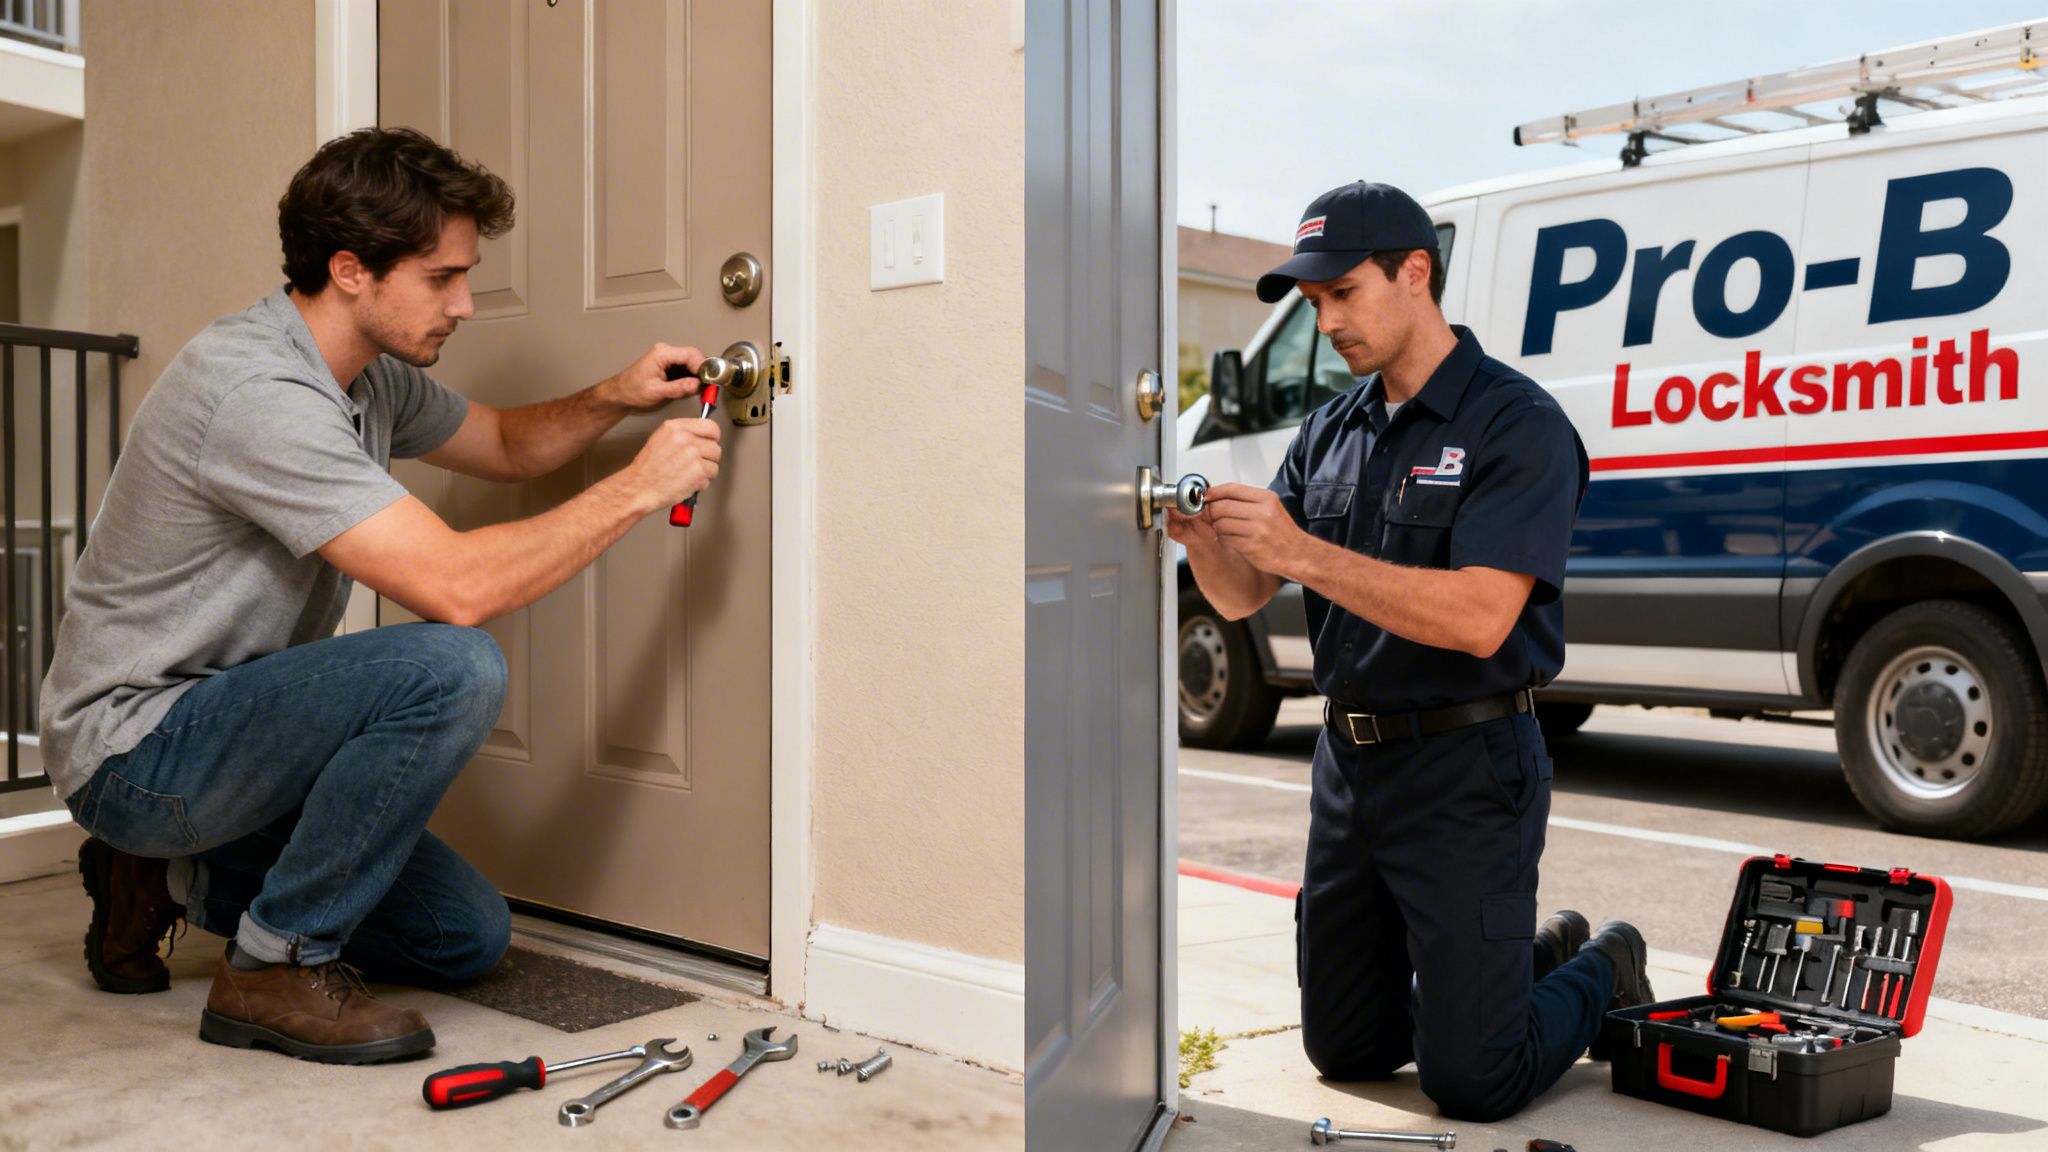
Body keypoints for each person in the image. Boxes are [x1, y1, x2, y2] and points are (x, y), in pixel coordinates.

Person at [42, 127, 723, 1065]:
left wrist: (615, 396)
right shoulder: (256, 391)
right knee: (452, 667)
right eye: (442, 277)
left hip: (238, 735)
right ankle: (273, 966)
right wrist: (640, 490)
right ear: (352, 269)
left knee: (464, 938)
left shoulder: (371, 380)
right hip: (136, 745)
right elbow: (457, 587)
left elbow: (509, 446)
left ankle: (172, 875)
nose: (467, 303)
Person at [1167, 181, 1651, 1121]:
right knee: (1349, 1052)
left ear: (1415, 272)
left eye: (1343, 294)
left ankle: (1602, 967)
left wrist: (1300, 548)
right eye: (1315, 305)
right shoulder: (1331, 428)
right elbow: (1247, 594)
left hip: (1466, 770)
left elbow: (1479, 618)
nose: (1328, 323)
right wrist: (1207, 547)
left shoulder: (1518, 425)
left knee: (1473, 1082)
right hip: (1349, 769)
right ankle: (1516, 967)